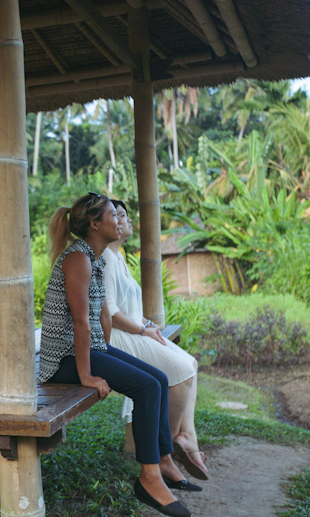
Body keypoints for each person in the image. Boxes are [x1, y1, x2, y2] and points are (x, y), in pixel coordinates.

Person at [39, 193, 195, 517]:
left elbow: (100, 317)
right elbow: (81, 322)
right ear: (95, 224)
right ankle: (149, 477)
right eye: (113, 215)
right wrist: (87, 375)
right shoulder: (78, 258)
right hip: (62, 361)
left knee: (159, 379)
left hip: (85, 348)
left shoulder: (93, 257)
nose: (120, 220)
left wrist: (106, 351)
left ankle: (162, 460)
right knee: (148, 387)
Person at [103, 199, 208, 481]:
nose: (124, 221)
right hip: (117, 338)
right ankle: (167, 446)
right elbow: (110, 313)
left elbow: (128, 309)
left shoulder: (118, 256)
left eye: (124, 215)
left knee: (191, 364)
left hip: (133, 331)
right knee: (183, 372)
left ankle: (185, 435)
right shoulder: (104, 258)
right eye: (117, 215)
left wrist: (146, 324)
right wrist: (141, 331)